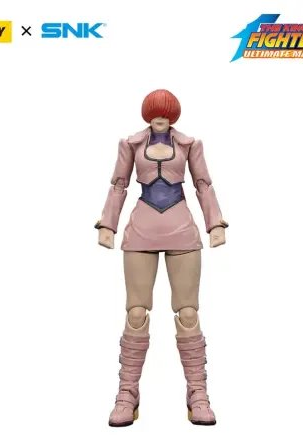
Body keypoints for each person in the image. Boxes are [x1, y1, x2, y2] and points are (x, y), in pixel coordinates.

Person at [94, 89, 228, 426]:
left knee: (188, 313)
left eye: (166, 113)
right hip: (141, 229)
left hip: (182, 228)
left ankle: (198, 392)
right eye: (155, 112)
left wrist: (214, 223)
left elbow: (203, 184)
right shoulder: (131, 144)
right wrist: (108, 224)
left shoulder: (189, 145)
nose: (160, 117)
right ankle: (127, 393)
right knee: (136, 313)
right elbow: (119, 185)